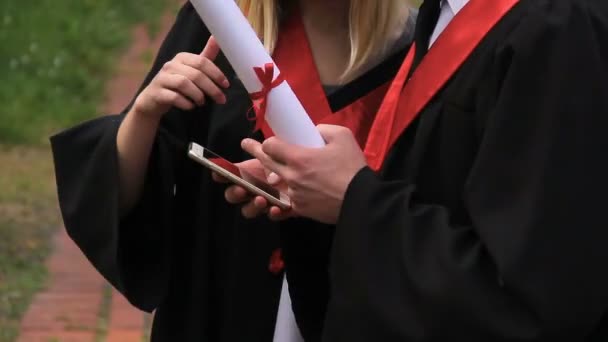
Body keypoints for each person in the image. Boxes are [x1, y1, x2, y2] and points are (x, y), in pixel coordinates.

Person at [240, 0, 608, 340]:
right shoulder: (445, 14)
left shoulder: (559, 26)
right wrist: (313, 191)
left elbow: (538, 295)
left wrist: (357, 199)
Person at [50, 0, 415, 341]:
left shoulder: (416, 54)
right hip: (221, 305)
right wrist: (145, 114)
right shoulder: (222, 24)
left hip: (349, 313)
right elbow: (125, 199)